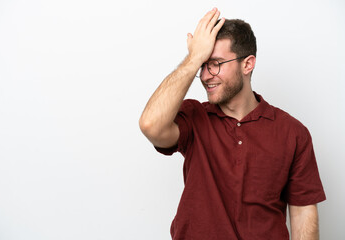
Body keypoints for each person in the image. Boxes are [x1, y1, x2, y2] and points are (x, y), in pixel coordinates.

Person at [139, 7, 326, 240]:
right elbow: (150, 125)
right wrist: (193, 58)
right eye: (203, 66)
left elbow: (303, 215)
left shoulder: (293, 132)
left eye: (215, 63)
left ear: (247, 64)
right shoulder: (194, 116)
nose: (206, 75)